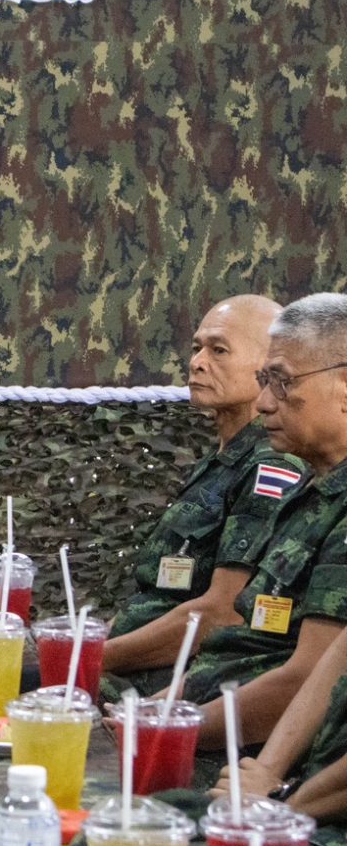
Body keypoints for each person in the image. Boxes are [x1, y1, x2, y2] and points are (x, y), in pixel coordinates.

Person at [171, 293, 347, 758]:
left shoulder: (293, 479)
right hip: (207, 710)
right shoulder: (310, 491)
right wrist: (158, 711)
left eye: (282, 383)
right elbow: (240, 642)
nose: (265, 403)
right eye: (264, 381)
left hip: (259, 750)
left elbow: (305, 679)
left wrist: (164, 728)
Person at [102, 296, 306, 695]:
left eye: (219, 350)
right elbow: (158, 597)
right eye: (196, 347)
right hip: (134, 664)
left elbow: (223, 612)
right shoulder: (224, 459)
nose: (197, 362)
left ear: (269, 366)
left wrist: (86, 658)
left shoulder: (270, 467)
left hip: (179, 683)